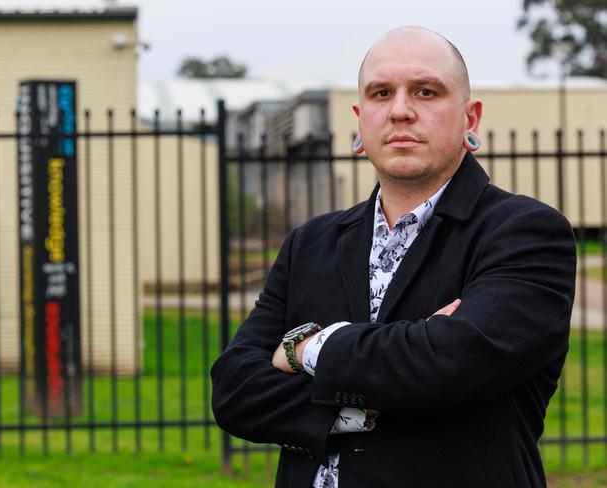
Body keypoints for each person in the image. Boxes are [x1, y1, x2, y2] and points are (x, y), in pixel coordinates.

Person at [211, 26, 576, 488]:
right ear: (360, 121)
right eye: (382, 93)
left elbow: (451, 362)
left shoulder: (524, 233)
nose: (401, 111)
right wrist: (369, 397)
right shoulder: (311, 243)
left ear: (470, 119)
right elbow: (235, 391)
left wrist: (303, 349)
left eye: (426, 91)